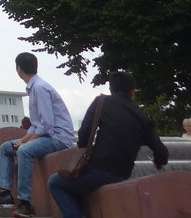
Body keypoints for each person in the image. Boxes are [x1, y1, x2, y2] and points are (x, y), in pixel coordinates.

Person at [47, 70, 168, 218]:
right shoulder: (142, 117)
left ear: (111, 90)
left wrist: (85, 153)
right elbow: (162, 152)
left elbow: (84, 132)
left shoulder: (101, 102)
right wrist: (158, 162)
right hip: (122, 176)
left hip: (97, 170)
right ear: (133, 93)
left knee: (55, 183)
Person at [0, 52, 75, 218]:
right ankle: (5, 193)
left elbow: (47, 126)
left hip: (59, 137)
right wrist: (22, 140)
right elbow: (36, 126)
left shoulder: (40, 88)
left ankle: (25, 203)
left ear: (18, 69)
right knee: (6, 147)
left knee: (24, 151)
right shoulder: (34, 87)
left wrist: (26, 143)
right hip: (47, 135)